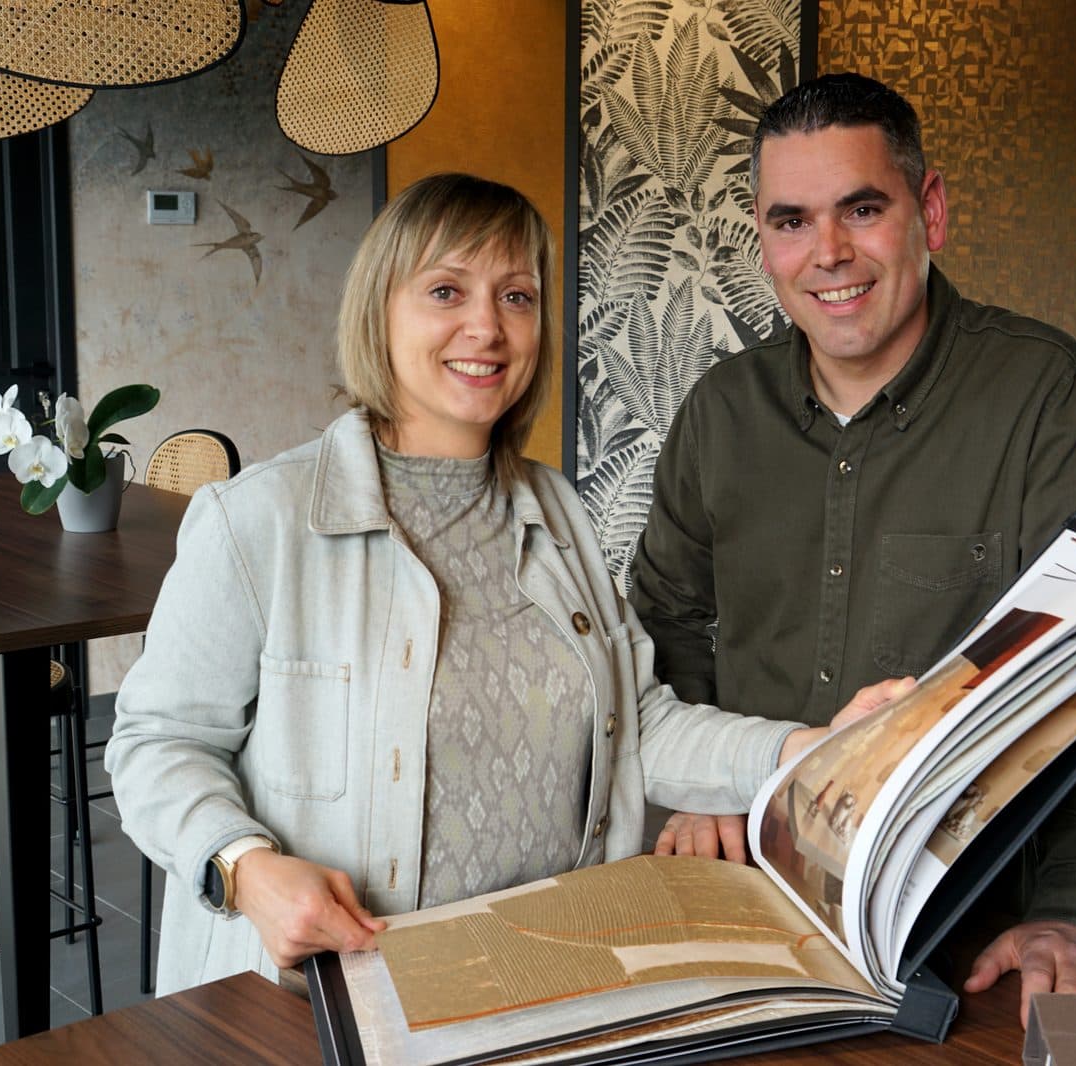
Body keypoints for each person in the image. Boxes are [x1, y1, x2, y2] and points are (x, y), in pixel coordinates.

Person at [106, 173, 906, 995]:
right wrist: (246, 868)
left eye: (517, 297)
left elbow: (641, 727)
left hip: (544, 980)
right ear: (381, 311)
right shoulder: (258, 521)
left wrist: (806, 752)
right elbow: (156, 744)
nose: (486, 328)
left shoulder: (558, 509)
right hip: (317, 1000)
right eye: (447, 290)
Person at [628, 74, 1076, 1025]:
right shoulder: (721, 411)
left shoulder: (1046, 400)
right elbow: (664, 623)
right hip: (752, 890)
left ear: (931, 210)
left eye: (863, 209)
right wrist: (708, 783)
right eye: (791, 221)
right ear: (763, 238)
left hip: (968, 920)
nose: (828, 253)